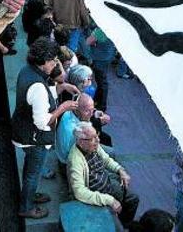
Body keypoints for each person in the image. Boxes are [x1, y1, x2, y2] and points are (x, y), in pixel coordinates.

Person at [11, 37, 78, 219]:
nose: (55, 64)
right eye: (53, 60)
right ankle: (26, 207)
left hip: (21, 129)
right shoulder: (38, 86)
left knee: (31, 170)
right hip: (33, 137)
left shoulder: (27, 71)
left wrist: (62, 87)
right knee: (33, 173)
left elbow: (38, 97)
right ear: (44, 62)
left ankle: (29, 195)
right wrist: (62, 108)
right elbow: (42, 122)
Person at [68, 121, 139, 226]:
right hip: (99, 197)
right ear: (81, 141)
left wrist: (120, 170)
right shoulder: (75, 160)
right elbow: (80, 192)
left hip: (108, 184)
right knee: (115, 225)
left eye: (97, 136)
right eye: (93, 138)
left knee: (133, 199)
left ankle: (124, 224)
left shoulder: (93, 145)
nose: (98, 140)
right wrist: (110, 200)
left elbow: (106, 160)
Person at [56, 92, 95, 165]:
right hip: (67, 163)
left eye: (92, 110)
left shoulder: (67, 113)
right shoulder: (77, 130)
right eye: (87, 111)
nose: (91, 114)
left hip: (60, 154)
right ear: (77, 110)